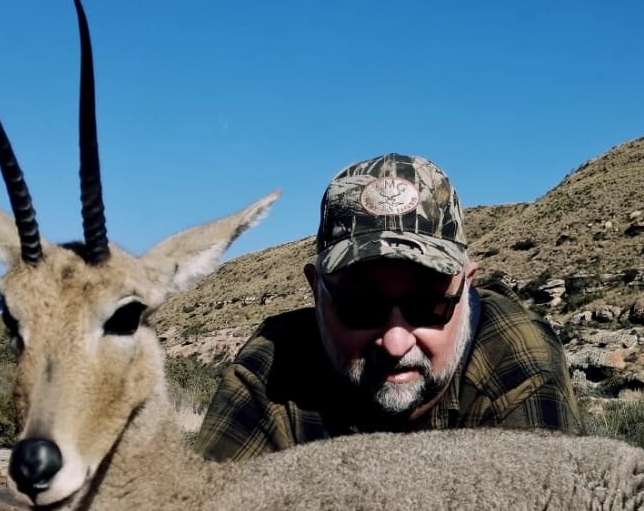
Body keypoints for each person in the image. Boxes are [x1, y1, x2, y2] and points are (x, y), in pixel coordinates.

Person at [196, 153, 584, 461]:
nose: (396, 343)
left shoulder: (519, 361)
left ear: (466, 286)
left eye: (428, 304)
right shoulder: (273, 366)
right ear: (316, 291)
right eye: (360, 305)